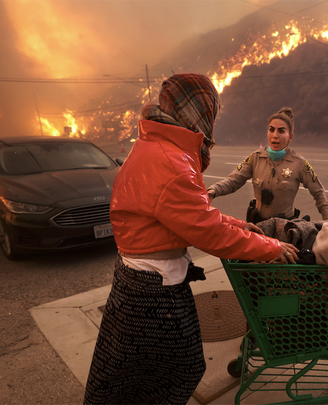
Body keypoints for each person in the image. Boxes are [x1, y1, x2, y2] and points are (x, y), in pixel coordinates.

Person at [83, 73, 299, 405]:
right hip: (154, 291)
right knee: (182, 368)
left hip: (138, 278)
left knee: (128, 370)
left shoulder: (155, 145)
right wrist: (269, 247)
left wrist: (240, 226)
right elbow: (207, 231)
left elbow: (189, 215)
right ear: (200, 113)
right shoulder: (171, 162)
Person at [207, 107, 328, 223]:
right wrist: (213, 191)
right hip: (258, 227)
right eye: (271, 130)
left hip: (285, 228)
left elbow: (318, 193)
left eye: (281, 131)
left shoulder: (299, 163)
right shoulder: (255, 158)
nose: (275, 135)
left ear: (290, 137)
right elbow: (233, 181)